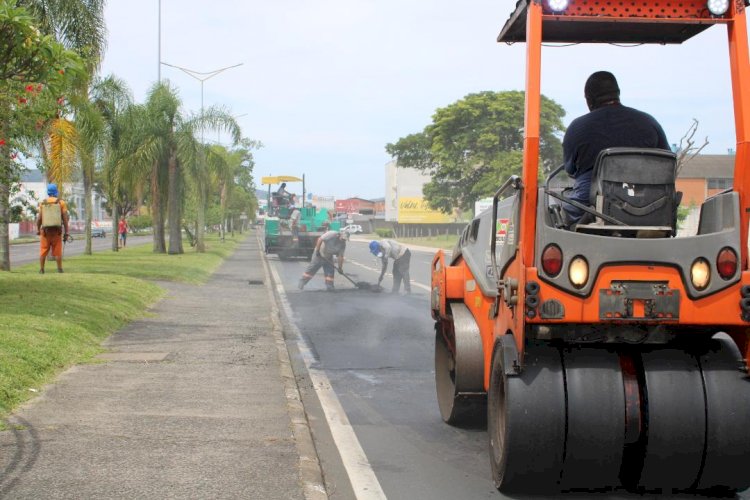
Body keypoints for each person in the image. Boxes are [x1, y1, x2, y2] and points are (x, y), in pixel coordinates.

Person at [562, 71, 670, 224]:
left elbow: (571, 170)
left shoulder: (578, 127)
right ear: (617, 94)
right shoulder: (649, 122)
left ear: (589, 99)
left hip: (591, 205)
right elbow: (666, 168)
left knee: (564, 209)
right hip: (648, 203)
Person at [36, 183, 70, 274]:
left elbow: (39, 218)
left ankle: (42, 269)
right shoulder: (61, 202)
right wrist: (67, 232)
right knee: (57, 251)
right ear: (56, 192)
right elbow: (65, 219)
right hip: (57, 232)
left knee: (43, 250)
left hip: (45, 232)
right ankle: (59, 269)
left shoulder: (42, 203)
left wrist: (37, 229)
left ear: (48, 192)